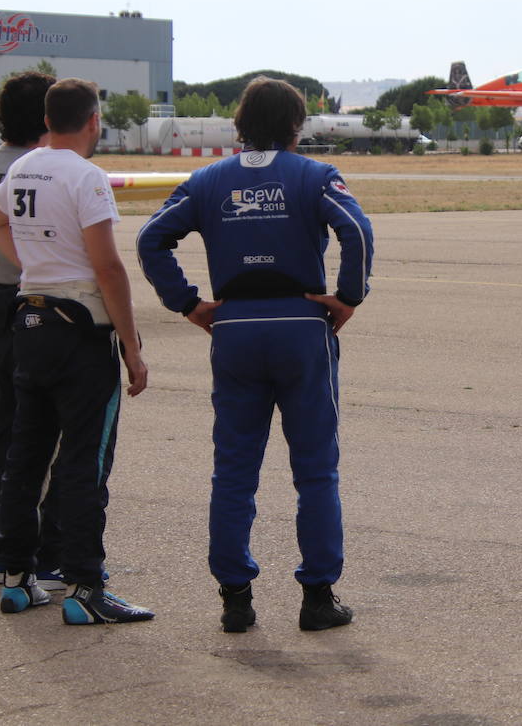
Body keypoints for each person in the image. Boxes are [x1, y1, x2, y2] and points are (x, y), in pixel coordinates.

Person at [136, 77, 372, 632]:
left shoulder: (208, 179)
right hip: (300, 325)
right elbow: (356, 231)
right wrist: (348, 298)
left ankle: (235, 598)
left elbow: (151, 238)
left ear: (239, 124)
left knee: (235, 470)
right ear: (296, 126)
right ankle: (317, 596)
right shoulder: (315, 175)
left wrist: (189, 304)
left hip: (235, 327)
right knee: (315, 470)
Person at [0, 77, 152, 625]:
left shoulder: (23, 166)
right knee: (84, 461)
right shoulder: (87, 177)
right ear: (93, 120)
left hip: (29, 323)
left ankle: (16, 576)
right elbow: (107, 266)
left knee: (25, 454)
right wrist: (131, 346)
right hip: (79, 331)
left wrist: (34, 266)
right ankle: (84, 586)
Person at [0, 70, 61, 588]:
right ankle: (40, 554)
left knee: (4, 434)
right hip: (32, 307)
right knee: (41, 441)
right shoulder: (32, 173)